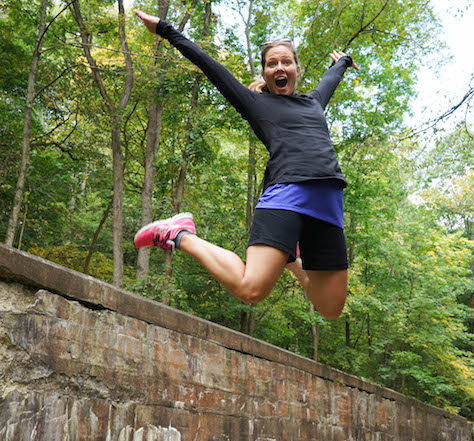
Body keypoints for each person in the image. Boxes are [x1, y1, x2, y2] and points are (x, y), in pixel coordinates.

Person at [133, 9, 357, 320]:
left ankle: (290, 256)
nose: (279, 67)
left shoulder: (314, 102)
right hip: (286, 195)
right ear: (265, 74)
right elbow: (211, 67)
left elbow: (332, 76)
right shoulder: (257, 103)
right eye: (272, 63)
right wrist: (166, 29)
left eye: (286, 62)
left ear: (296, 69)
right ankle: (179, 235)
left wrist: (343, 61)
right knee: (251, 289)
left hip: (329, 202)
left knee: (330, 308)